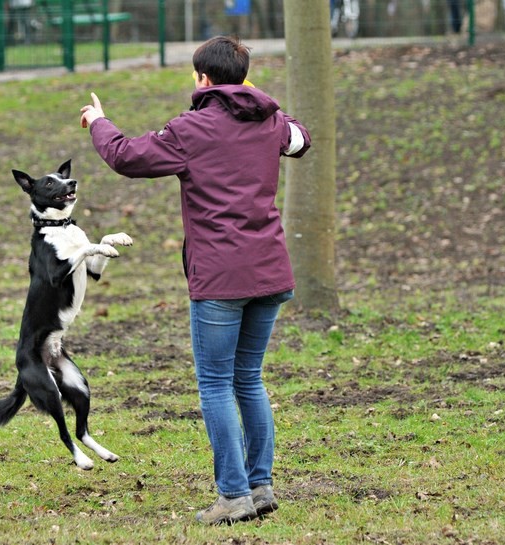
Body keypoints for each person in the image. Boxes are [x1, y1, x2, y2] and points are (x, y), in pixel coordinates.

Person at [79, 36, 310, 525]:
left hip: (221, 279)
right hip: (270, 271)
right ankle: (261, 485)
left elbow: (125, 156)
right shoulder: (272, 121)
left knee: (215, 384)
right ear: (243, 78)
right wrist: (257, 98)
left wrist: (98, 121)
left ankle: (234, 495)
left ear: (202, 80)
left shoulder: (191, 128)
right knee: (249, 378)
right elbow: (301, 140)